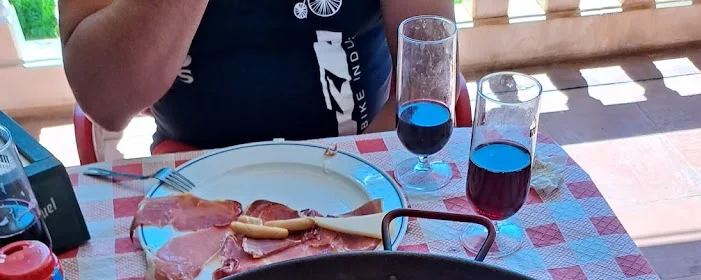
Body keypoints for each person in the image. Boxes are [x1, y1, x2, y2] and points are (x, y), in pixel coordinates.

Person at [59, 0, 456, 151]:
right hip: (192, 169)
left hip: (354, 156)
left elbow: (432, 76)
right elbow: (106, 101)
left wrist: (347, 176)